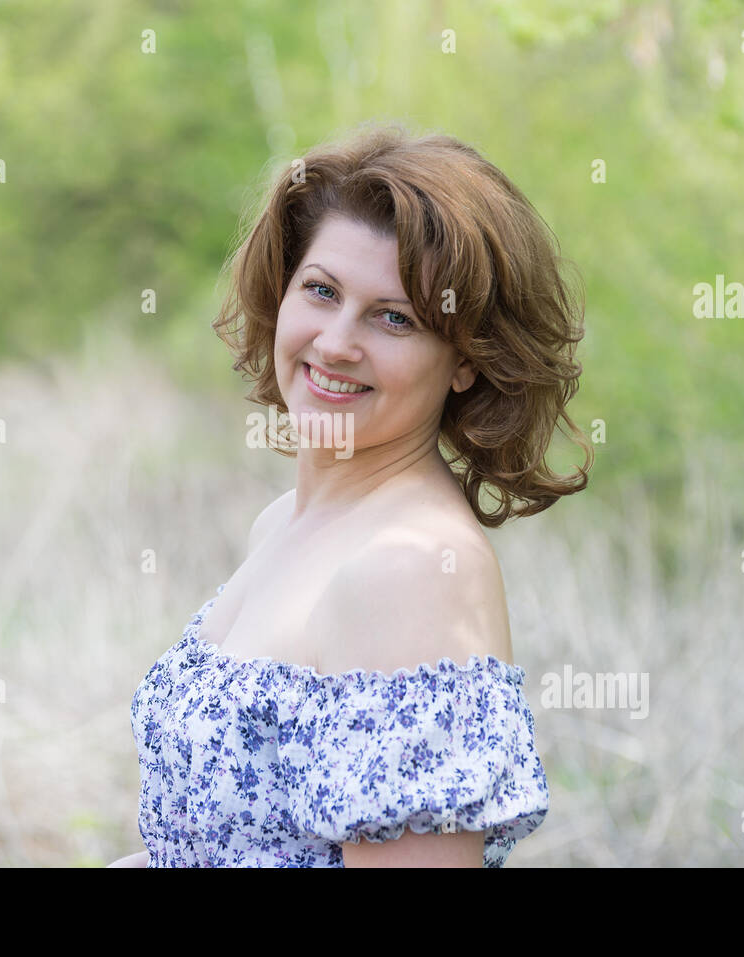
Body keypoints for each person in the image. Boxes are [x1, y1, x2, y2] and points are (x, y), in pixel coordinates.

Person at [113, 121, 592, 868]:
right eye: (322, 290)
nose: (336, 341)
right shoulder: (281, 525)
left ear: (466, 361)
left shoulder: (410, 569)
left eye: (393, 317)